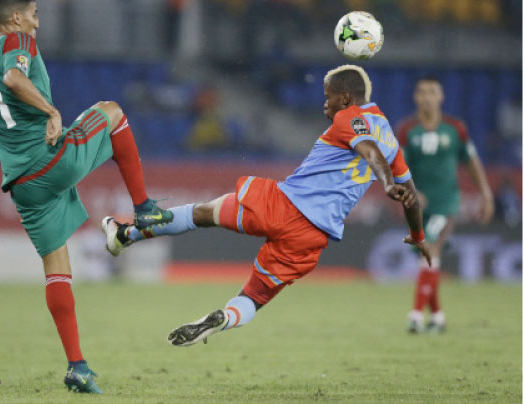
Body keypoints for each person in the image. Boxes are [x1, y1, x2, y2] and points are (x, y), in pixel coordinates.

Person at [102, 64, 432, 346]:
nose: (325, 106)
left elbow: (369, 150)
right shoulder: (391, 138)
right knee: (255, 297)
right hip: (312, 237)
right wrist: (418, 236)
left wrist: (387, 184)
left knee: (203, 213)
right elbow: (411, 196)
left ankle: (127, 235)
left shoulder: (352, 118)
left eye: (328, 97)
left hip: (282, 206)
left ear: (345, 98)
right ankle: (223, 318)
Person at [0, 0, 173, 394]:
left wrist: (5, 123)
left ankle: (77, 366)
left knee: (57, 269)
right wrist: (51, 112)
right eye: (34, 14)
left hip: (21, 184)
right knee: (113, 112)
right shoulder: (15, 42)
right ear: (16, 18)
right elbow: (14, 77)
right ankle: (144, 209)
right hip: (47, 159)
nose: (38, 23)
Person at [397, 76, 494, 334]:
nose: (427, 97)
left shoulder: (455, 129)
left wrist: (486, 194)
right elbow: (399, 167)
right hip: (417, 207)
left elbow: (471, 161)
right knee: (428, 257)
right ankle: (437, 316)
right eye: (422, 92)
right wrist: (413, 191)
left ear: (441, 97)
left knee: (430, 247)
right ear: (415, 97)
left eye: (432, 92)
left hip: (446, 202)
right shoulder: (407, 130)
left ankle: (416, 316)